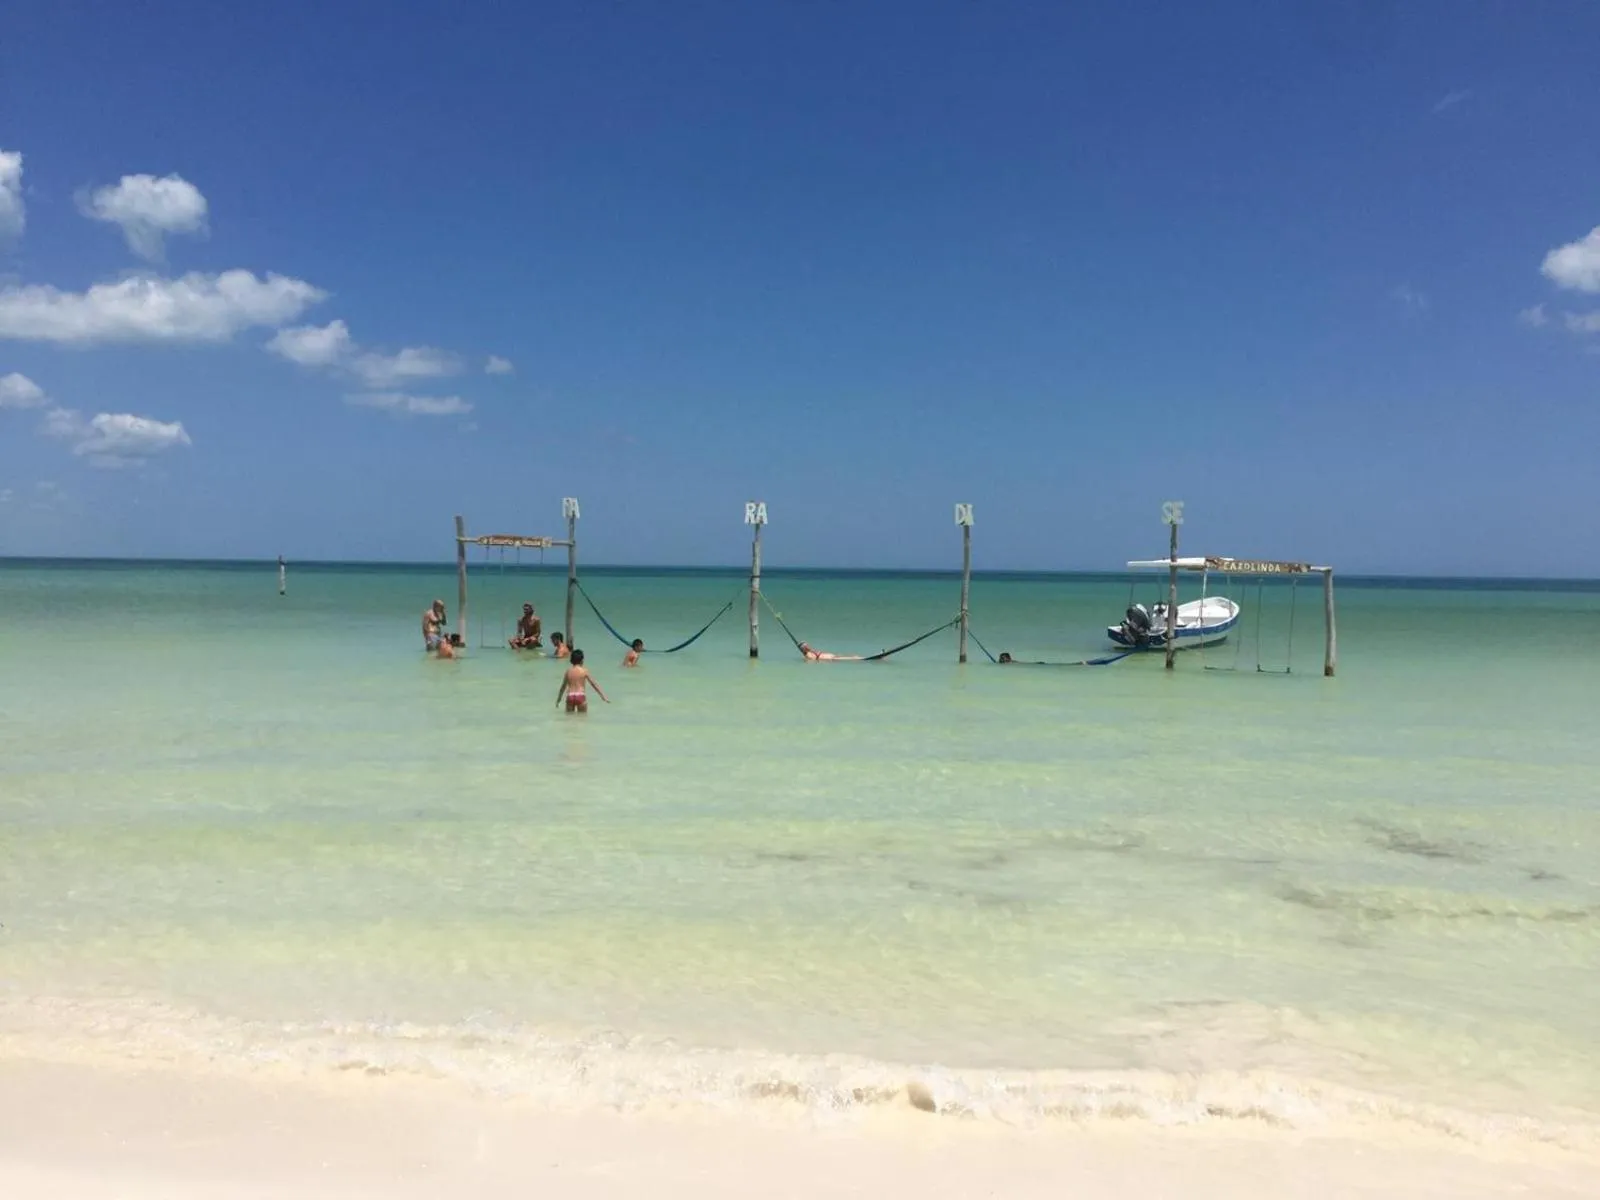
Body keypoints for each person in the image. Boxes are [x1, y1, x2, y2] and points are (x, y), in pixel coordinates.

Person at [556, 649, 609, 713]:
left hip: (570, 696)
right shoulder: (584, 671)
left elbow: (563, 687)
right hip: (580, 695)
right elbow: (593, 684)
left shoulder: (568, 671)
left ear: (571, 660)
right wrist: (603, 696)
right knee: (582, 720)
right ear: (582, 660)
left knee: (569, 721)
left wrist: (559, 699)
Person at [797, 641, 863, 662]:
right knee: (848, 658)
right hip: (830, 659)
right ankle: (858, 659)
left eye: (807, 645)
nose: (808, 646)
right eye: (806, 646)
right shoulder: (808, 655)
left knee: (846, 655)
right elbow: (814, 661)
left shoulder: (810, 651)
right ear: (804, 648)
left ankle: (857, 657)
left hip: (831, 656)